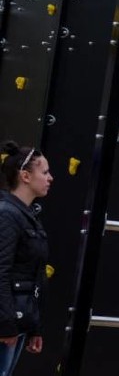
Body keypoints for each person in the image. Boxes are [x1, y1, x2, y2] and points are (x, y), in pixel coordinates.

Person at [0, 142, 52, 375]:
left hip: (18, 322)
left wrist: (34, 328)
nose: (50, 178)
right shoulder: (7, 215)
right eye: (45, 172)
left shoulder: (27, 216)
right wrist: (7, 323)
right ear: (25, 176)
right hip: (6, 324)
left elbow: (33, 275)